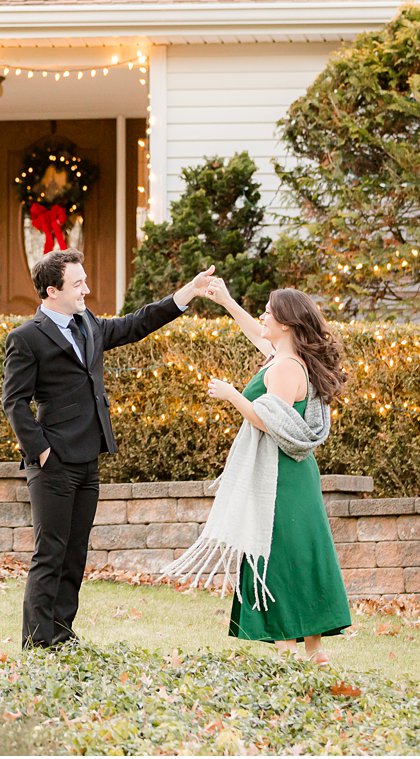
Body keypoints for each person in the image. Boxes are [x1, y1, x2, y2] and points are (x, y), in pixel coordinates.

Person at [2, 248, 214, 649]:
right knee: (50, 552)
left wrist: (186, 293)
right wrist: (41, 451)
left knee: (75, 554)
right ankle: (37, 641)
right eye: (78, 283)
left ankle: (62, 635)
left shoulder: (88, 324)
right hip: (53, 463)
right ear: (52, 291)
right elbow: (14, 402)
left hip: (89, 457)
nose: (87, 289)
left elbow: (137, 324)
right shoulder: (26, 338)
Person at [167, 281, 352, 664]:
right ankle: (314, 650)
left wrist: (232, 395)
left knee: (281, 555)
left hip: (281, 477)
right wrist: (227, 301)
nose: (263, 317)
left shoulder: (285, 368)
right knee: (300, 553)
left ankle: (290, 648)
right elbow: (256, 332)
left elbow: (274, 423)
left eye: (269, 311)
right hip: (292, 474)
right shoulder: (284, 357)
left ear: (286, 324)